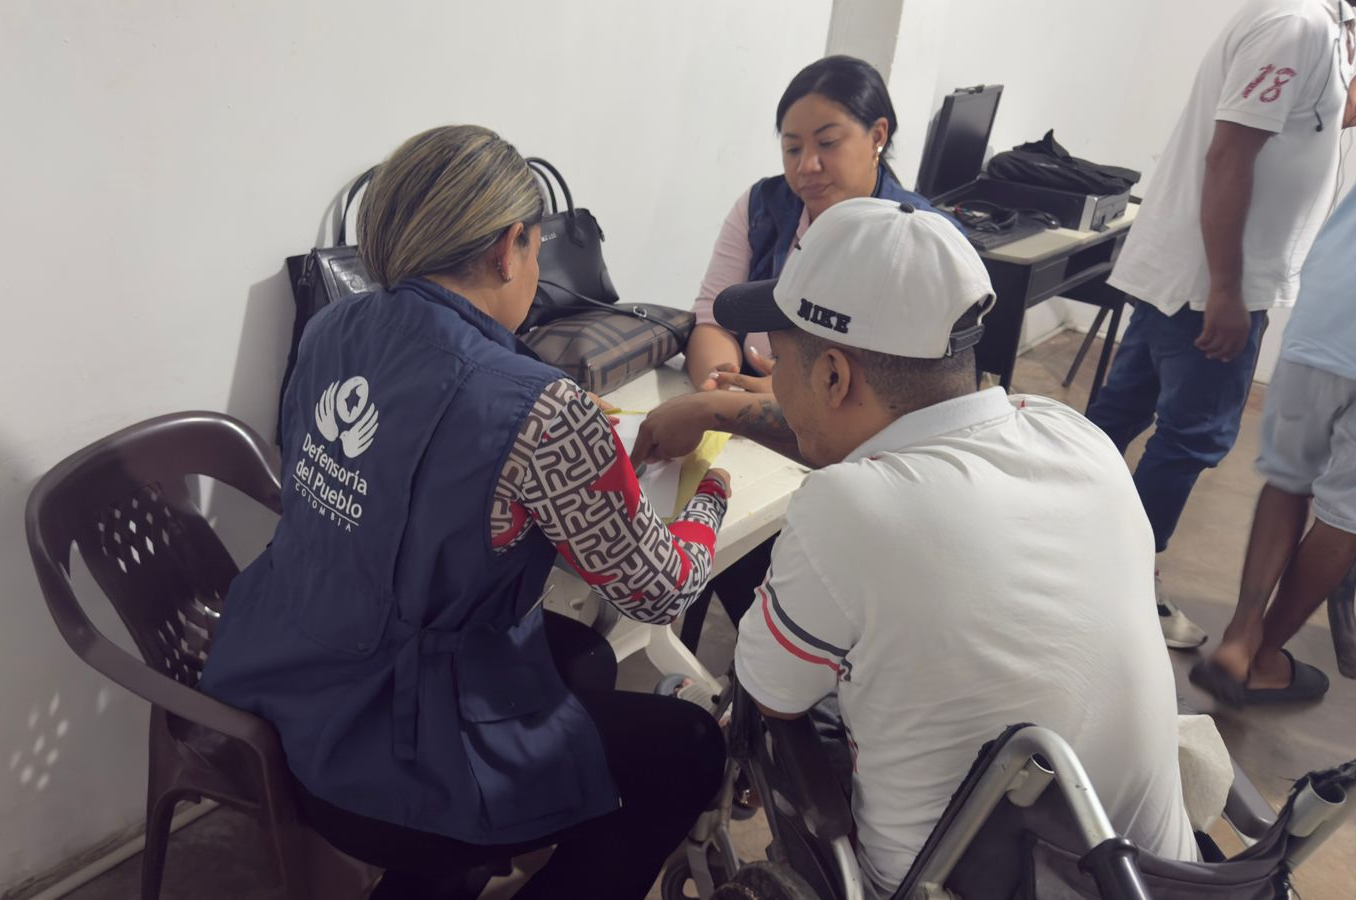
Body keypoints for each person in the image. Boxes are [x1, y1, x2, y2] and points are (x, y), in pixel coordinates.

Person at [200, 125, 731, 900]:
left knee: (581, 657)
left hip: (282, 674)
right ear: (510, 248)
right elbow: (661, 590)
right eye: (537, 249)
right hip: (386, 755)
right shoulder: (539, 408)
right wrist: (709, 497)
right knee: (688, 747)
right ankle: (466, 848)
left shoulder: (331, 328)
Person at [713, 197, 1197, 895]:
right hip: (1155, 878)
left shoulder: (847, 508)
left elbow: (772, 698)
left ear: (833, 376)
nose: (774, 383)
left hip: (940, 884)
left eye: (778, 360)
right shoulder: (1076, 437)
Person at [1083, 0, 1354, 649]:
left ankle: (1061, 549)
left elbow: (1313, 121)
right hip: (1211, 284)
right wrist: (1226, 290)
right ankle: (1121, 586)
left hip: (1193, 275)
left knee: (1119, 415)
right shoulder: (1297, 25)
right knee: (1191, 438)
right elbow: (1230, 155)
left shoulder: (1319, 26)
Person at [675, 55, 953, 652]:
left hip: (848, 453)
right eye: (791, 147)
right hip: (760, 427)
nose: (807, 166)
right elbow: (713, 316)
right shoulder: (762, 208)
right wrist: (721, 382)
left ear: (878, 135)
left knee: (768, 553)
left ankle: (781, 654)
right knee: (721, 522)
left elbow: (890, 401)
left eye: (827, 143)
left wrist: (770, 394)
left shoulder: (915, 241)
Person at [1190, 186, 1356, 706]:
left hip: (1331, 311)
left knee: (1287, 478)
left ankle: (1239, 640)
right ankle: (1264, 659)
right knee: (1346, 515)